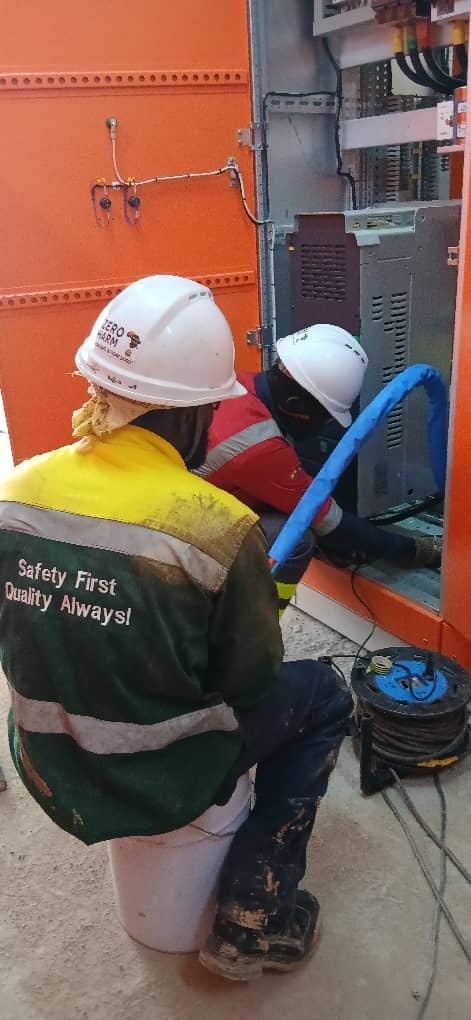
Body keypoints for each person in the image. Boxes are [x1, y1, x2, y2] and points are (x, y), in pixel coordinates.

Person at [0, 276, 353, 981]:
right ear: (193, 413)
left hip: (47, 761)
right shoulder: (215, 527)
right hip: (163, 775)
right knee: (322, 695)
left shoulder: (15, 492)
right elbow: (250, 681)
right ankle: (256, 917)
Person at [195, 324, 442, 613]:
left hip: (180, 501)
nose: (325, 425)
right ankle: (257, 620)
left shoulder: (239, 383)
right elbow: (333, 523)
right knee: (298, 538)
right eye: (324, 416)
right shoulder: (259, 446)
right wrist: (414, 551)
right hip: (186, 535)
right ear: (294, 403)